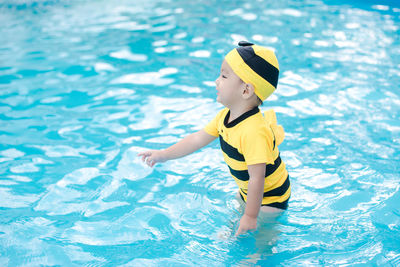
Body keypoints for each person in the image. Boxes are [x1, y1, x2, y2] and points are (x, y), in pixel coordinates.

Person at [138, 41, 291, 236]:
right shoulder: (224, 117)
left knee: (263, 234)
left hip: (272, 197)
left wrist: (251, 216)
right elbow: (196, 139)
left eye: (224, 76)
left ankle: (258, 256)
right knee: (238, 212)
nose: (216, 81)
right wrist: (163, 155)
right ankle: (236, 229)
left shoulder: (253, 131)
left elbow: (257, 178)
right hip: (249, 189)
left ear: (246, 90)